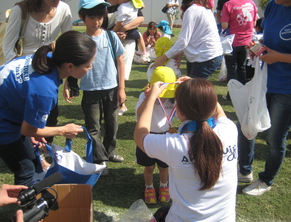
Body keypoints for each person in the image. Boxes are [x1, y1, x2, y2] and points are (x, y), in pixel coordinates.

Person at [0, 30, 97, 186]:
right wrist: (62, 130)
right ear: (69, 66)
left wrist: (34, 129)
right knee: (26, 170)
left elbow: (19, 97)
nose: (91, 68)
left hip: (5, 112)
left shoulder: (45, 59)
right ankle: (25, 210)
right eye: (88, 65)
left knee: (36, 160)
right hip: (0, 124)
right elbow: (27, 130)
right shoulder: (44, 89)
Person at [134, 77, 238, 221]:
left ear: (179, 111)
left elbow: (140, 135)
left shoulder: (175, 145)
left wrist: (152, 97)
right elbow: (218, 112)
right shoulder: (229, 130)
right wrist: (199, 89)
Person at [64, 0, 126, 176]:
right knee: (93, 127)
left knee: (112, 125)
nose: (96, 21)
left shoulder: (111, 37)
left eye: (100, 17)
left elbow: (120, 62)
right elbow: (71, 66)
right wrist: (68, 85)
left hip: (112, 89)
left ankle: (110, 151)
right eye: (91, 17)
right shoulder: (80, 40)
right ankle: (100, 159)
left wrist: (122, 88)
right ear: (82, 17)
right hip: (90, 91)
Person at [238, 0, 291, 196]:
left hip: (287, 88)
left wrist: (279, 56)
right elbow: (269, 39)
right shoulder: (272, 6)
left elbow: (279, 51)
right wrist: (258, 48)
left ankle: (266, 180)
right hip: (265, 81)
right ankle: (244, 170)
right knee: (246, 125)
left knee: (274, 137)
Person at [3, 0, 73, 144]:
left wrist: (69, 78)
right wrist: (23, 73)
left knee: (50, 114)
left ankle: (45, 151)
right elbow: (8, 47)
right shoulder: (21, 10)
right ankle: (27, 153)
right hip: (23, 73)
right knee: (25, 116)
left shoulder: (64, 9)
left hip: (49, 72)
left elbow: (70, 42)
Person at [135, 66, 178, 204]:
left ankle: (164, 185)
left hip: (166, 136)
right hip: (147, 135)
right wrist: (150, 98)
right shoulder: (145, 96)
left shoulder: (175, 98)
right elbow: (139, 114)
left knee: (164, 166)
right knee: (149, 167)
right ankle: (149, 187)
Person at [153, 0, 223, 79]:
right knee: (190, 86)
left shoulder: (192, 10)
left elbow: (183, 41)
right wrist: (180, 53)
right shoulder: (204, 10)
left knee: (193, 89)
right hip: (208, 56)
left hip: (205, 57)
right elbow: (193, 37)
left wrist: (163, 58)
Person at [104, 0, 145, 115]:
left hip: (127, 41)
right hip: (106, 41)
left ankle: (121, 103)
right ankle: (109, 101)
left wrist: (123, 29)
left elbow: (140, 19)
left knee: (122, 73)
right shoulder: (101, 5)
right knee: (109, 72)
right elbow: (96, 25)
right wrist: (113, 34)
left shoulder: (127, 4)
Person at [221, 0, 257, 100]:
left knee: (231, 69)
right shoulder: (252, 3)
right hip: (246, 42)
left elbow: (224, 25)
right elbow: (254, 23)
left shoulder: (228, 4)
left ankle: (231, 95)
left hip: (232, 42)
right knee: (242, 68)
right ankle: (242, 93)